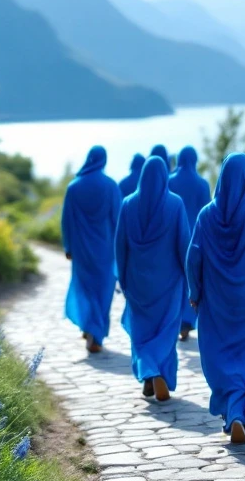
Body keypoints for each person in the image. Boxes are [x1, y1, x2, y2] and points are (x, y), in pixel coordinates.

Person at [186, 153, 245, 444]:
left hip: (215, 302)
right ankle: (241, 412)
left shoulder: (206, 214)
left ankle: (232, 410)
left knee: (219, 356)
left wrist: (194, 292)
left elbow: (193, 256)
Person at [114, 155, 190, 402]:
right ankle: (156, 370)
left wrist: (123, 278)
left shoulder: (127, 204)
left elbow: (120, 246)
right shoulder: (175, 204)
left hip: (137, 282)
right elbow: (183, 245)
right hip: (168, 282)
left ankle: (149, 376)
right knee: (166, 329)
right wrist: (190, 279)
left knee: (141, 331)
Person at [62, 146, 122, 354]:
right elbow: (118, 221)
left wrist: (68, 246)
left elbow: (67, 221)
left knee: (85, 288)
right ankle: (95, 335)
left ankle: (88, 327)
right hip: (105, 250)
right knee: (103, 290)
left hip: (81, 250)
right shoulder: (111, 186)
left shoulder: (74, 187)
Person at [169, 145, 211, 340]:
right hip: (195, 240)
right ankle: (187, 320)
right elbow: (209, 215)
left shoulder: (169, 181)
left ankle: (176, 319)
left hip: (172, 239)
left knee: (175, 280)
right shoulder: (202, 184)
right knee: (192, 277)